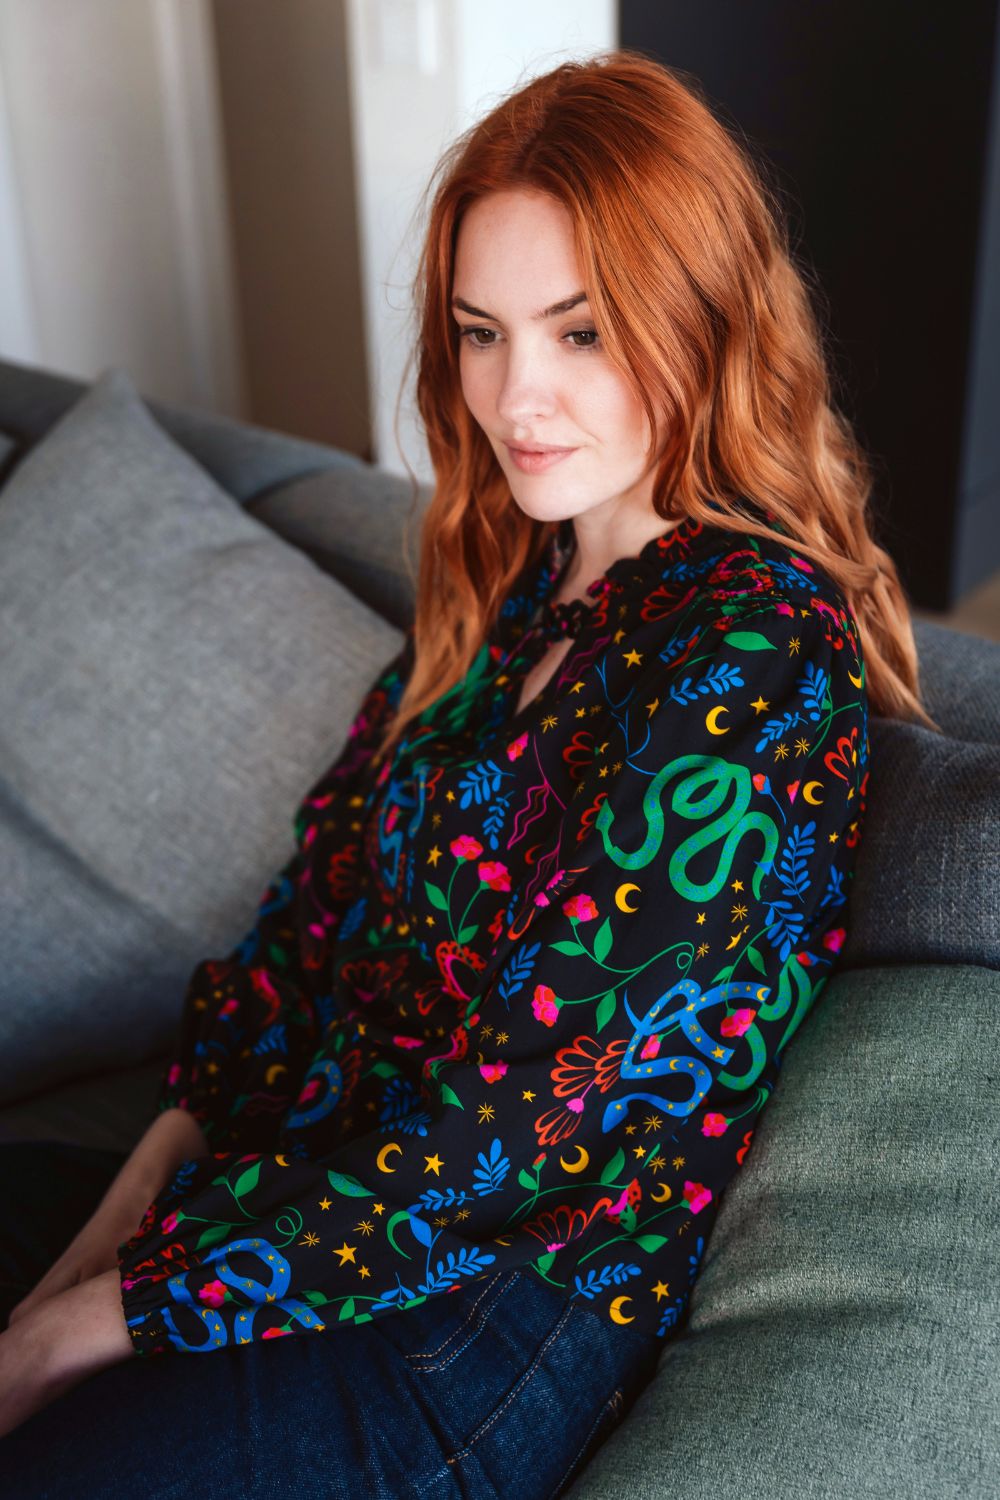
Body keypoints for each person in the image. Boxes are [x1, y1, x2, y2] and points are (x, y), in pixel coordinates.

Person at [0, 48, 938, 1496]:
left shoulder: (755, 650)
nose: (517, 398)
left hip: (478, 1320)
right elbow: (305, 935)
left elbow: (504, 1140)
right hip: (300, 1198)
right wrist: (124, 1214)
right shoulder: (514, 586)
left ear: (700, 319)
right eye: (482, 332)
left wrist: (90, 1327)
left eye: (579, 332)